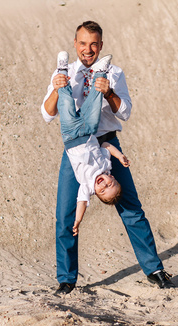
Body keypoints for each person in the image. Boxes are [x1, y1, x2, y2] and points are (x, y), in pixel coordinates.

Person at [41, 21, 175, 294]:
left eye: (93, 44)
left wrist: (109, 92)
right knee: (65, 215)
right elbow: (46, 114)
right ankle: (66, 279)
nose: (87, 49)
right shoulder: (65, 72)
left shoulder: (114, 72)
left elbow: (124, 112)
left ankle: (154, 269)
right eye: (82, 43)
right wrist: (56, 88)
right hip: (76, 151)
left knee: (132, 210)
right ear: (75, 43)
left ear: (101, 45)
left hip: (107, 146)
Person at [55, 51, 130, 237]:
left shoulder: (87, 185)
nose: (102, 185)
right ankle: (101, 72)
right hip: (89, 131)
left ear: (95, 193)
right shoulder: (105, 165)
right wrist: (119, 156)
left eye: (102, 190)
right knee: (94, 103)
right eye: (109, 184)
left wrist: (78, 221)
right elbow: (105, 147)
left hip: (71, 135)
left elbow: (81, 203)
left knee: (65, 101)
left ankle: (61, 68)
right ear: (112, 177)